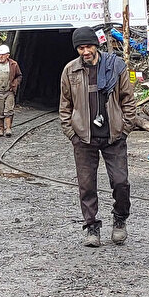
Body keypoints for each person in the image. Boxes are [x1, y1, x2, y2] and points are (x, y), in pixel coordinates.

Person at [59, 26, 136, 247]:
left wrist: (124, 129)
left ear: (97, 45)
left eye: (89, 46)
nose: (85, 51)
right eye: (81, 47)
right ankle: (91, 226)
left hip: (113, 136)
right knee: (87, 185)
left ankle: (120, 219)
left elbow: (128, 100)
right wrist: (72, 134)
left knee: (121, 182)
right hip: (84, 138)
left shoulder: (115, 67)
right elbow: (65, 106)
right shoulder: (70, 71)